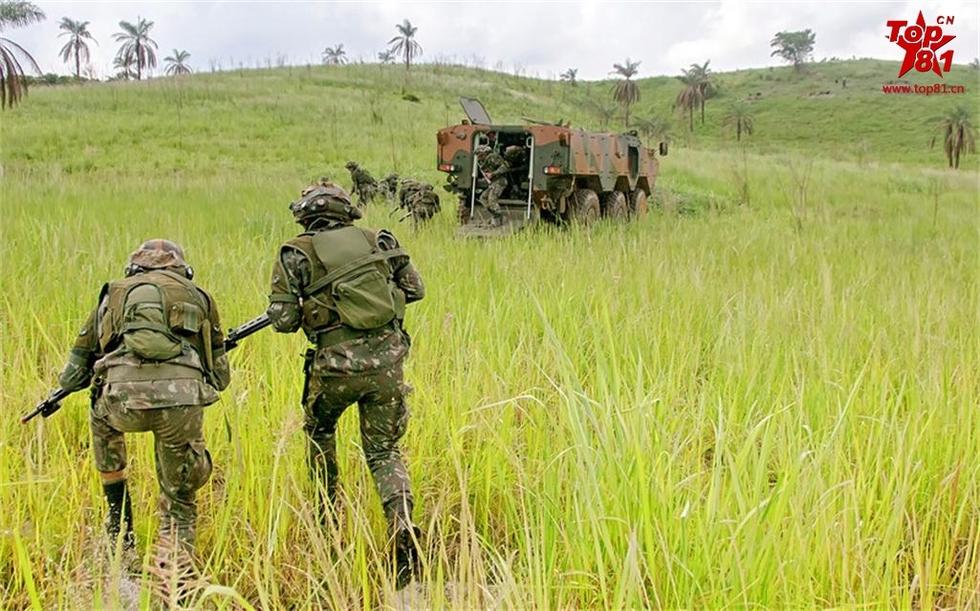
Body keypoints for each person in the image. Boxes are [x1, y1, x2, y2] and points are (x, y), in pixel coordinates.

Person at [266, 181, 425, 588]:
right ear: (347, 212)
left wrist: (311, 309)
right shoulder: (381, 238)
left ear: (304, 215)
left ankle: (325, 520)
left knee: (320, 431)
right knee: (384, 450)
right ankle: (402, 525)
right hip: (388, 364)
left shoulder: (294, 253)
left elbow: (283, 322)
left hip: (333, 369)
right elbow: (416, 290)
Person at [56, 239, 230, 554]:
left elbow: (73, 375)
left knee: (99, 412)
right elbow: (220, 377)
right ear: (182, 269)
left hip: (121, 402)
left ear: (134, 268)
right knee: (180, 494)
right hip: (180, 404)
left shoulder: (114, 294)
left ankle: (119, 531)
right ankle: (176, 575)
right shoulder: (200, 296)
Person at [474, 145, 509, 225]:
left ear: (484, 154)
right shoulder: (482, 162)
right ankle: (495, 215)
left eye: (479, 154)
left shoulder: (493, 157)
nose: (478, 157)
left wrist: (493, 174)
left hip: (500, 181)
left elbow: (505, 167)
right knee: (483, 198)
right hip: (493, 182)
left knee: (492, 200)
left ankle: (499, 218)